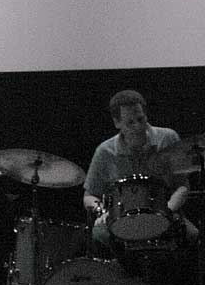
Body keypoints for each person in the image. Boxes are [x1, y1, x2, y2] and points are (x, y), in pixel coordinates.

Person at [83, 89, 197, 253]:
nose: (137, 126)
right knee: (97, 236)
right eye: (130, 122)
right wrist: (103, 212)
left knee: (193, 236)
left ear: (146, 115)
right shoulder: (105, 151)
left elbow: (183, 186)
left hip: (167, 214)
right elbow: (89, 196)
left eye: (140, 119)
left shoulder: (167, 138)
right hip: (121, 220)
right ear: (117, 123)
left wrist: (167, 212)